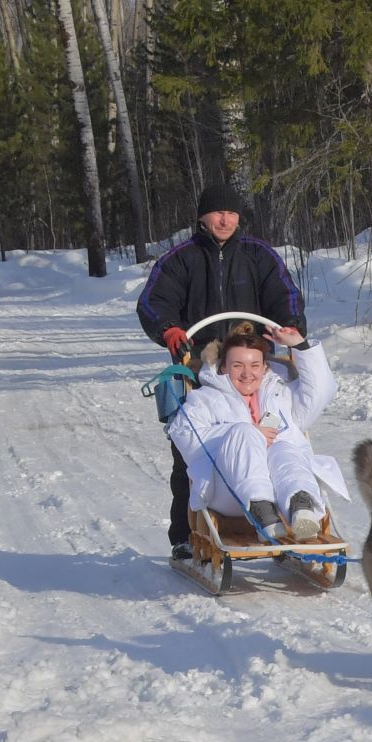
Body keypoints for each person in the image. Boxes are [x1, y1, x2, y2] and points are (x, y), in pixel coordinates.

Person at [137, 183, 307, 557]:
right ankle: (185, 535)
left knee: (275, 441)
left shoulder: (259, 255)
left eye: (231, 213)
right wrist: (168, 328)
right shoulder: (181, 258)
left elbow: (285, 295)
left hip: (251, 362)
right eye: (217, 213)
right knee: (190, 453)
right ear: (202, 217)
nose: (225, 219)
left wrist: (290, 324)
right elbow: (153, 301)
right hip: (198, 364)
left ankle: (286, 515)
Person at [166, 324, 345, 542]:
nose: (247, 373)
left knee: (284, 448)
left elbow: (321, 392)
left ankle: (301, 505)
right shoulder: (205, 399)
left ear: (264, 368)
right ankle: (261, 510)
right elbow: (183, 434)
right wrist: (246, 434)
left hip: (281, 488)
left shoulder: (281, 394)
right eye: (237, 365)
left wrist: (300, 345)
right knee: (244, 433)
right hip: (228, 492)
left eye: (254, 365)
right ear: (223, 368)